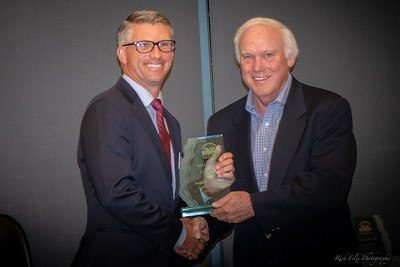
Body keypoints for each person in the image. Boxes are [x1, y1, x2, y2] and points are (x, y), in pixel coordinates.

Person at [72, 10, 234, 267]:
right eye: (143, 45)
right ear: (122, 53)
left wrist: (205, 196)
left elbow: (166, 198)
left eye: (165, 44)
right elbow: (117, 194)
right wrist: (180, 234)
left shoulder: (169, 121)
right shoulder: (106, 108)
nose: (156, 54)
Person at [208, 17, 358, 266]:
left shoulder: (329, 108)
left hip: (318, 255)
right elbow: (221, 195)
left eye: (268, 54)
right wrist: (197, 227)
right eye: (248, 57)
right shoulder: (220, 122)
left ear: (290, 59)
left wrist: (254, 205)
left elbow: (330, 184)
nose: (257, 67)